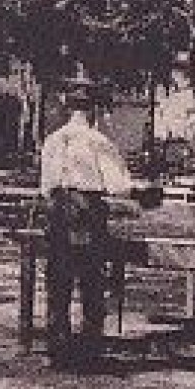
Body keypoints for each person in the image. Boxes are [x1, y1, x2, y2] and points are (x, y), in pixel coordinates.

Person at [39, 77, 137, 370]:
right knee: (92, 283)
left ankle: (58, 350)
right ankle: (89, 351)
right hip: (88, 213)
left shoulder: (54, 140)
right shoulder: (99, 141)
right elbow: (120, 186)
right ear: (93, 110)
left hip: (58, 212)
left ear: (67, 108)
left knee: (59, 282)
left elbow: (46, 186)